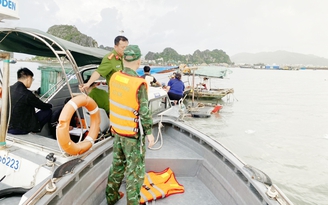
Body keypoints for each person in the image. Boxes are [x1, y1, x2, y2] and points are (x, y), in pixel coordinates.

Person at [106, 45, 155, 205]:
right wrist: (149, 133)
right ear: (139, 61)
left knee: (117, 166)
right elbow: (145, 112)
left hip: (117, 131)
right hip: (132, 137)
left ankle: (111, 198)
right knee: (135, 173)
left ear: (123, 59)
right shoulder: (138, 83)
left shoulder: (114, 77)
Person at [8, 67, 52, 135]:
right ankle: (35, 130)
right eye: (32, 79)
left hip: (8, 127)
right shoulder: (27, 94)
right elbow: (42, 106)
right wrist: (50, 105)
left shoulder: (9, 89)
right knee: (48, 111)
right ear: (29, 78)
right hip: (21, 129)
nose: (31, 81)